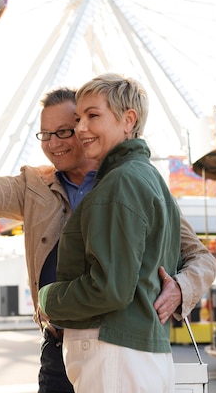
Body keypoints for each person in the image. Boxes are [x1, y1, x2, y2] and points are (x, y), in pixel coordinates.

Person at [0, 87, 216, 393]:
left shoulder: (129, 183)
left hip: (115, 343)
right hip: (59, 346)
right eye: (45, 134)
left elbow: (200, 257)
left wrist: (181, 288)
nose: (53, 143)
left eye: (65, 131)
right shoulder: (36, 186)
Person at [38, 73, 181, 392]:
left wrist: (49, 298)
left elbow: (111, 289)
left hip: (113, 353)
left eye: (93, 116)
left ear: (128, 119)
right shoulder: (150, 179)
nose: (80, 128)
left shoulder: (120, 183)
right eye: (78, 118)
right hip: (140, 351)